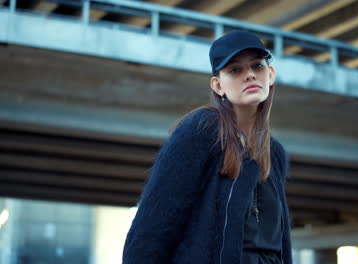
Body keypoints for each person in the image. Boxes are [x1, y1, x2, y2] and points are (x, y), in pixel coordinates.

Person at [123, 30, 292, 264]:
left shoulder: (275, 153)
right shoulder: (203, 130)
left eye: (257, 66)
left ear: (270, 74)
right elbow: (152, 228)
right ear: (218, 85)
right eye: (235, 70)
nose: (250, 75)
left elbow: (281, 244)